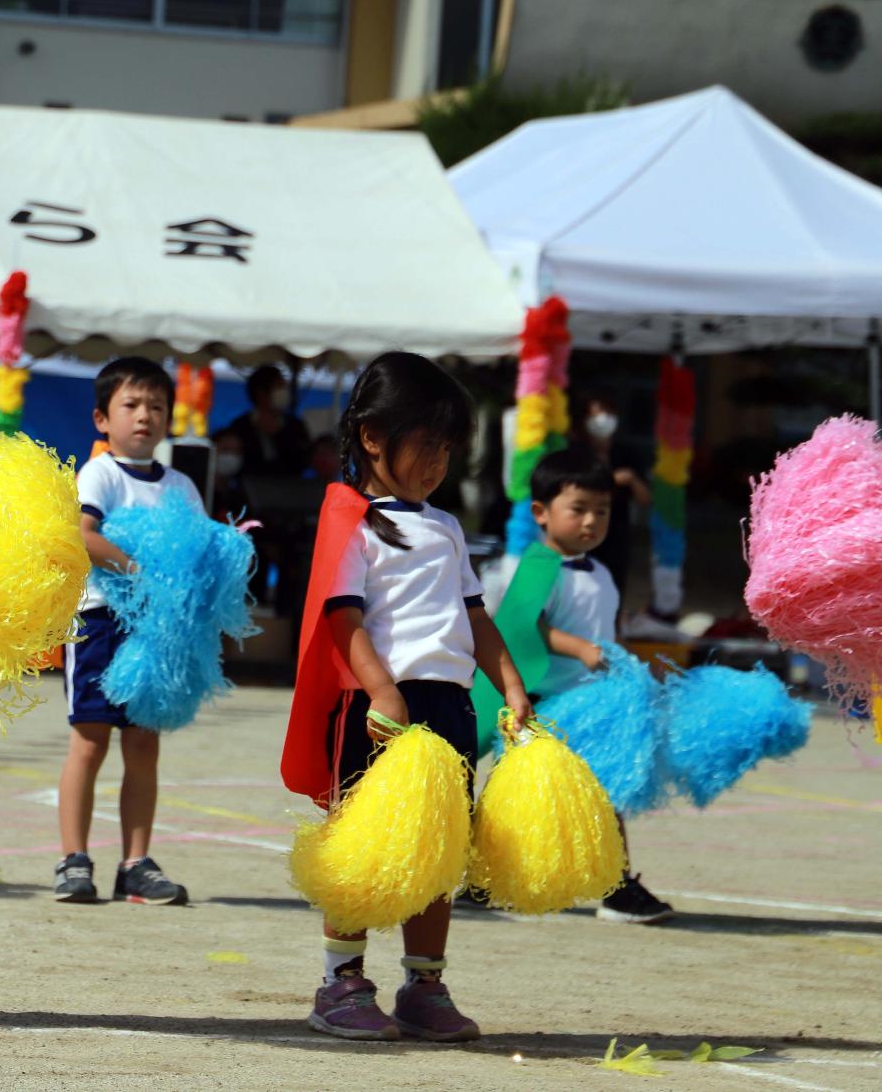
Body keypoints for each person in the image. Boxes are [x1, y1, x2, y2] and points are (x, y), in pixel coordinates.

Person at [284, 351, 530, 1043]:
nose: (437, 459)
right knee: (366, 847)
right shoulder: (351, 520)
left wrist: (508, 682)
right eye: (426, 440)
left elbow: (476, 616)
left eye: (447, 446)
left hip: (451, 706)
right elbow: (342, 614)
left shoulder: (448, 528)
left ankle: (425, 983)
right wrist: (382, 688)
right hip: (376, 710)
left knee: (438, 852)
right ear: (371, 436)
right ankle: (341, 981)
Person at [52, 357, 202, 907]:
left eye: (157, 407)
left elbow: (196, 552)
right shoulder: (100, 474)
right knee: (89, 741)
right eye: (131, 406)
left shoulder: (182, 485)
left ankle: (135, 863)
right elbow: (82, 533)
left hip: (155, 630)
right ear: (102, 418)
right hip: (99, 621)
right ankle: (74, 858)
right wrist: (138, 570)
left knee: (144, 745)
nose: (145, 417)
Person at [514, 449, 674, 926]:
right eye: (578, 509)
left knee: (608, 794)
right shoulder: (538, 566)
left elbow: (608, 636)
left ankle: (615, 884)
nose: (591, 521)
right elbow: (523, 627)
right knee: (523, 800)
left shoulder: (602, 573)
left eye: (601, 511)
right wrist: (580, 649)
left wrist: (630, 668)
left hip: (598, 710)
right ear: (541, 512)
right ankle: (484, 878)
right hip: (545, 707)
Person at [571, 392, 650, 595]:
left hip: (617, 530)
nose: (601, 420)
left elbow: (646, 498)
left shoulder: (626, 453)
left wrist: (632, 479)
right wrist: (612, 480)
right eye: (594, 415)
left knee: (615, 583)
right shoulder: (576, 452)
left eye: (605, 413)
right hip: (582, 529)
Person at [225, 364, 310, 479]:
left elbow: (303, 461)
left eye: (284, 386)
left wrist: (279, 435)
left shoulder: (295, 425)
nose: (284, 391)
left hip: (289, 490)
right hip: (250, 491)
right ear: (261, 393)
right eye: (279, 386)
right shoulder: (241, 426)